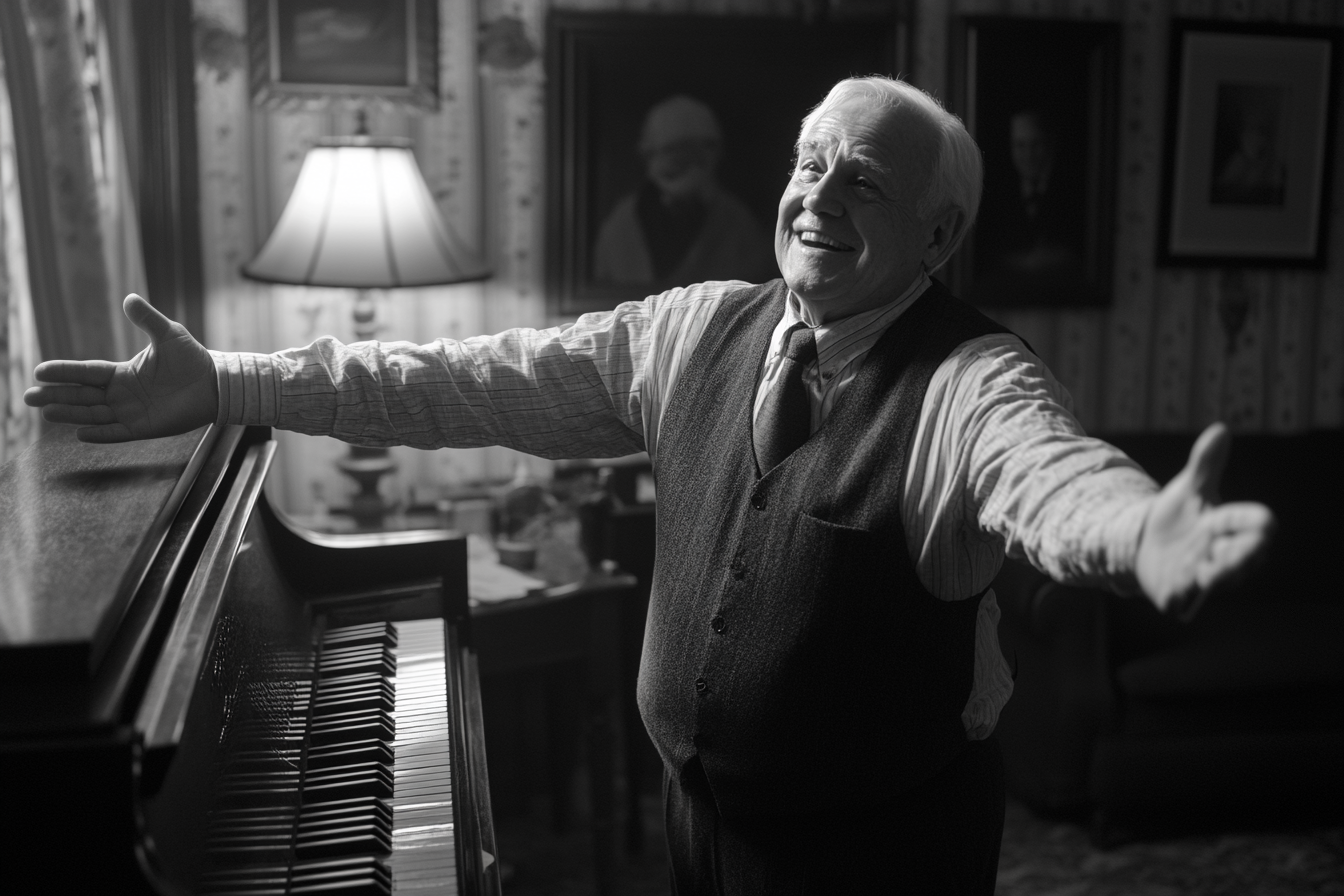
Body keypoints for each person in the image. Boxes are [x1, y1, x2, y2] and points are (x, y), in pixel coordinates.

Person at [26, 76, 1273, 895]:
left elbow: (1040, 471)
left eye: (865, 182)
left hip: (883, 857)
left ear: (938, 237)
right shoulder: (691, 331)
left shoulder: (967, 379)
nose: (816, 197)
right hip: (703, 830)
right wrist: (232, 382)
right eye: (810, 162)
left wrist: (1135, 530)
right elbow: (460, 379)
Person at [592, 94, 776, 289]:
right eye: (671, 150)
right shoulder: (621, 224)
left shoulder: (737, 222)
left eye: (691, 151)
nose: (680, 162)